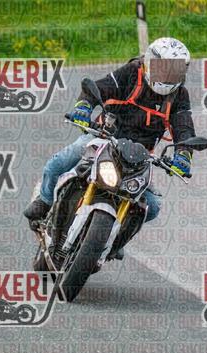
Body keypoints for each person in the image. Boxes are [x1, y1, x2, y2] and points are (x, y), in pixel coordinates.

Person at [24, 37, 196, 225]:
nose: (167, 75)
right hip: (104, 137)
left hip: (139, 157)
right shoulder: (132, 73)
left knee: (152, 207)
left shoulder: (179, 95)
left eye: (174, 71)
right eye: (162, 67)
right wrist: (84, 106)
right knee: (57, 164)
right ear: (148, 61)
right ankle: (45, 201)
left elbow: (184, 127)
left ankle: (117, 234)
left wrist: (183, 154)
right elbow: (101, 87)